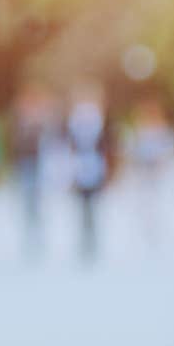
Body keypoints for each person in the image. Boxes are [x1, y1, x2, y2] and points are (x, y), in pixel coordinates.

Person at [66, 81, 113, 263]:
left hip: (94, 168)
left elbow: (107, 147)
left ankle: (92, 241)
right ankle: (84, 240)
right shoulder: (74, 122)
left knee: (92, 207)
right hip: (79, 168)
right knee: (82, 207)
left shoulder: (100, 122)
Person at [8, 82, 52, 256]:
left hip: (39, 165)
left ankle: (38, 231)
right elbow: (13, 146)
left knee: (37, 200)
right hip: (24, 165)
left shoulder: (42, 125)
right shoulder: (19, 125)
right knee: (27, 199)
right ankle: (29, 231)